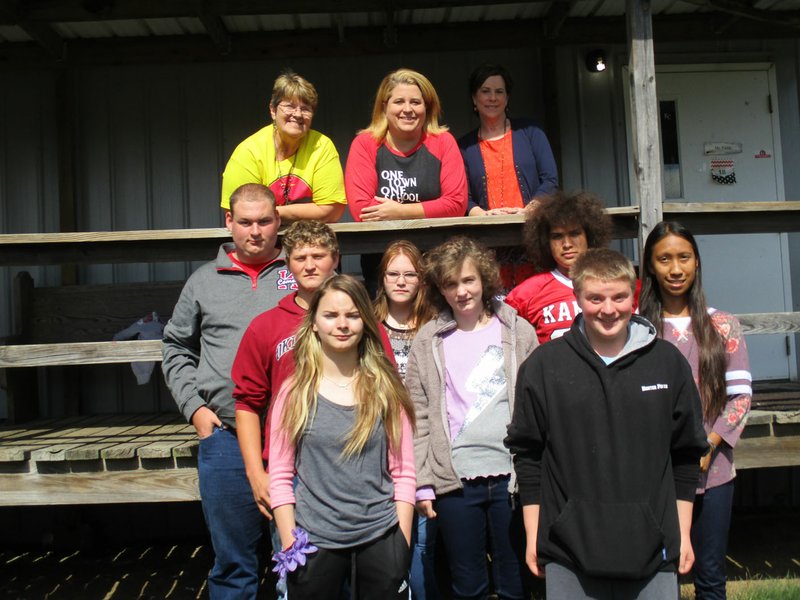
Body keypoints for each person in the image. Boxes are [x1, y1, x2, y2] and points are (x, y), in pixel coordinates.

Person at [506, 248, 708, 599]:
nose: (609, 309)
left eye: (619, 297)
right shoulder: (543, 366)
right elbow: (528, 456)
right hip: (567, 551)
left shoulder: (667, 363)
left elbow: (687, 455)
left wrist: (684, 532)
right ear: (577, 297)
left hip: (654, 549)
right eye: (595, 298)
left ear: (634, 295)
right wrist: (535, 533)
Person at [162, 183, 294, 599]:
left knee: (298, 557)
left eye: (264, 221)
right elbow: (176, 346)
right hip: (226, 437)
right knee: (233, 563)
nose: (255, 231)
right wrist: (196, 410)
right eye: (245, 222)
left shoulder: (303, 271)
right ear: (229, 223)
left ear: (278, 221)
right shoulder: (204, 281)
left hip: (296, 436)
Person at [406, 237, 538, 600]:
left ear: (484, 280)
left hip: (511, 478)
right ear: (440, 290)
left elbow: (537, 406)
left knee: (515, 580)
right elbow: (418, 416)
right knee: (467, 584)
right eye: (451, 284)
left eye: (468, 280)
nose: (462, 291)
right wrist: (423, 481)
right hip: (456, 481)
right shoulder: (428, 340)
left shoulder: (518, 331)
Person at [269, 275, 417, 598]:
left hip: (381, 537)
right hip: (314, 544)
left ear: (365, 322)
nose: (342, 325)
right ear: (314, 325)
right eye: (331, 316)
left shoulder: (387, 390)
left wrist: (400, 545)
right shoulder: (293, 394)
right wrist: (289, 542)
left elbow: (404, 472)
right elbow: (279, 476)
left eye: (352, 315)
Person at [640, 222, 752, 600]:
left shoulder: (722, 325)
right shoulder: (637, 329)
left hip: (713, 471)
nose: (675, 269)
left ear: (697, 263)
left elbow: (739, 397)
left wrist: (708, 444)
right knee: (658, 575)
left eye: (684, 257)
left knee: (710, 577)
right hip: (652, 476)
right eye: (664, 259)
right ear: (650, 267)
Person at [345, 68, 467, 291]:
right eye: (399, 101)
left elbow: (457, 203)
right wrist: (430, 209)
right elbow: (363, 210)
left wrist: (399, 211)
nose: (408, 109)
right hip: (381, 264)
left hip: (437, 263)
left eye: (416, 102)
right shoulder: (365, 144)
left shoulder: (443, 142)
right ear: (384, 107)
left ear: (427, 107)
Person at [373, 241, 437, 599]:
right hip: (382, 444)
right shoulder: (367, 323)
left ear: (421, 280)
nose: (401, 281)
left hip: (425, 442)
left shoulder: (436, 324)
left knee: (423, 544)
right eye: (393, 274)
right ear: (382, 279)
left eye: (409, 274)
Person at [459, 63, 559, 290]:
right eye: (485, 91)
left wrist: (529, 209)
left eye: (499, 91)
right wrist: (481, 215)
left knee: (533, 297)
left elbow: (550, 180)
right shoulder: (464, 146)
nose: (492, 98)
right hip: (488, 243)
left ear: (507, 97)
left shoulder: (531, 132)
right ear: (474, 98)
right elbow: (462, 196)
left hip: (530, 236)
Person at [220, 70, 346, 223]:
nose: (298, 114)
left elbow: (332, 211)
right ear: (273, 111)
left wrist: (272, 213)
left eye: (305, 108)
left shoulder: (322, 146)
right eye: (290, 106)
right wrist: (310, 211)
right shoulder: (249, 152)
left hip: (310, 241)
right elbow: (240, 215)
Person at [505, 190, 613, 344]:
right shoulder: (525, 294)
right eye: (557, 236)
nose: (567, 244)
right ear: (545, 242)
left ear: (589, 236)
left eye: (574, 234)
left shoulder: (620, 285)